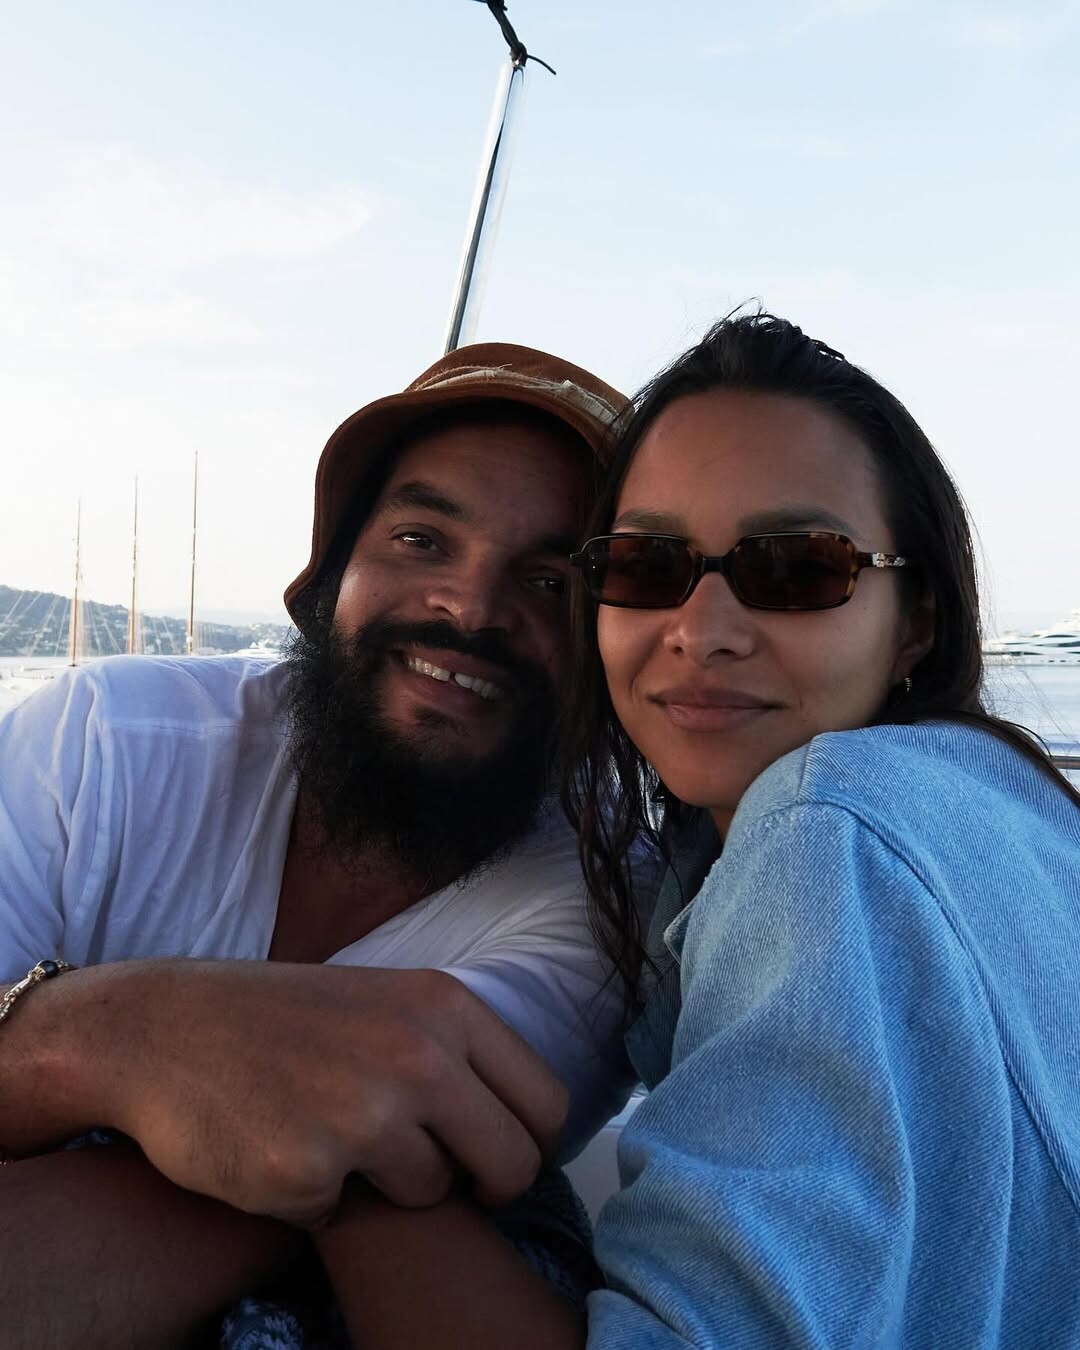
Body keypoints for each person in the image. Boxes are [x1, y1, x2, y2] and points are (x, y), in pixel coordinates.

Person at [305, 312, 1080, 1349]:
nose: (702, 630)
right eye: (645, 563)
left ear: (917, 621)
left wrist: (339, 1140)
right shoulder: (1002, 808)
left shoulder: (825, 827)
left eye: (796, 568)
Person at [0, 342, 639, 1346]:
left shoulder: (609, 906)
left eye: (552, 582)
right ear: (333, 572)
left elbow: (342, 1155)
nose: (471, 608)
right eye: (422, 539)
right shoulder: (104, 745)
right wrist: (100, 1032)